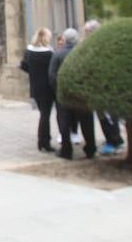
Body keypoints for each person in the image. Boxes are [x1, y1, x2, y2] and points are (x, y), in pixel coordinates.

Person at [48, 28, 95, 159]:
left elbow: (52, 76)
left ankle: (66, 150)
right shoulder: (84, 53)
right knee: (87, 122)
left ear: (65, 39)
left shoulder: (57, 54)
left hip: (64, 94)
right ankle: (91, 148)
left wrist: (59, 90)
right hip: (82, 94)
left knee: (64, 121)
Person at [82, 19, 125, 155]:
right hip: (98, 87)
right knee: (104, 116)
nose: (86, 34)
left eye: (87, 31)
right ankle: (112, 139)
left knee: (109, 116)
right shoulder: (94, 45)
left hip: (106, 88)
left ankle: (114, 141)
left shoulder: (102, 46)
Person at [19, 27, 56, 153]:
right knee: (45, 116)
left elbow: (23, 66)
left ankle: (44, 140)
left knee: (43, 114)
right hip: (47, 89)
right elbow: (52, 70)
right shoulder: (49, 53)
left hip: (35, 87)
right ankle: (43, 141)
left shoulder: (29, 52)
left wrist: (33, 73)